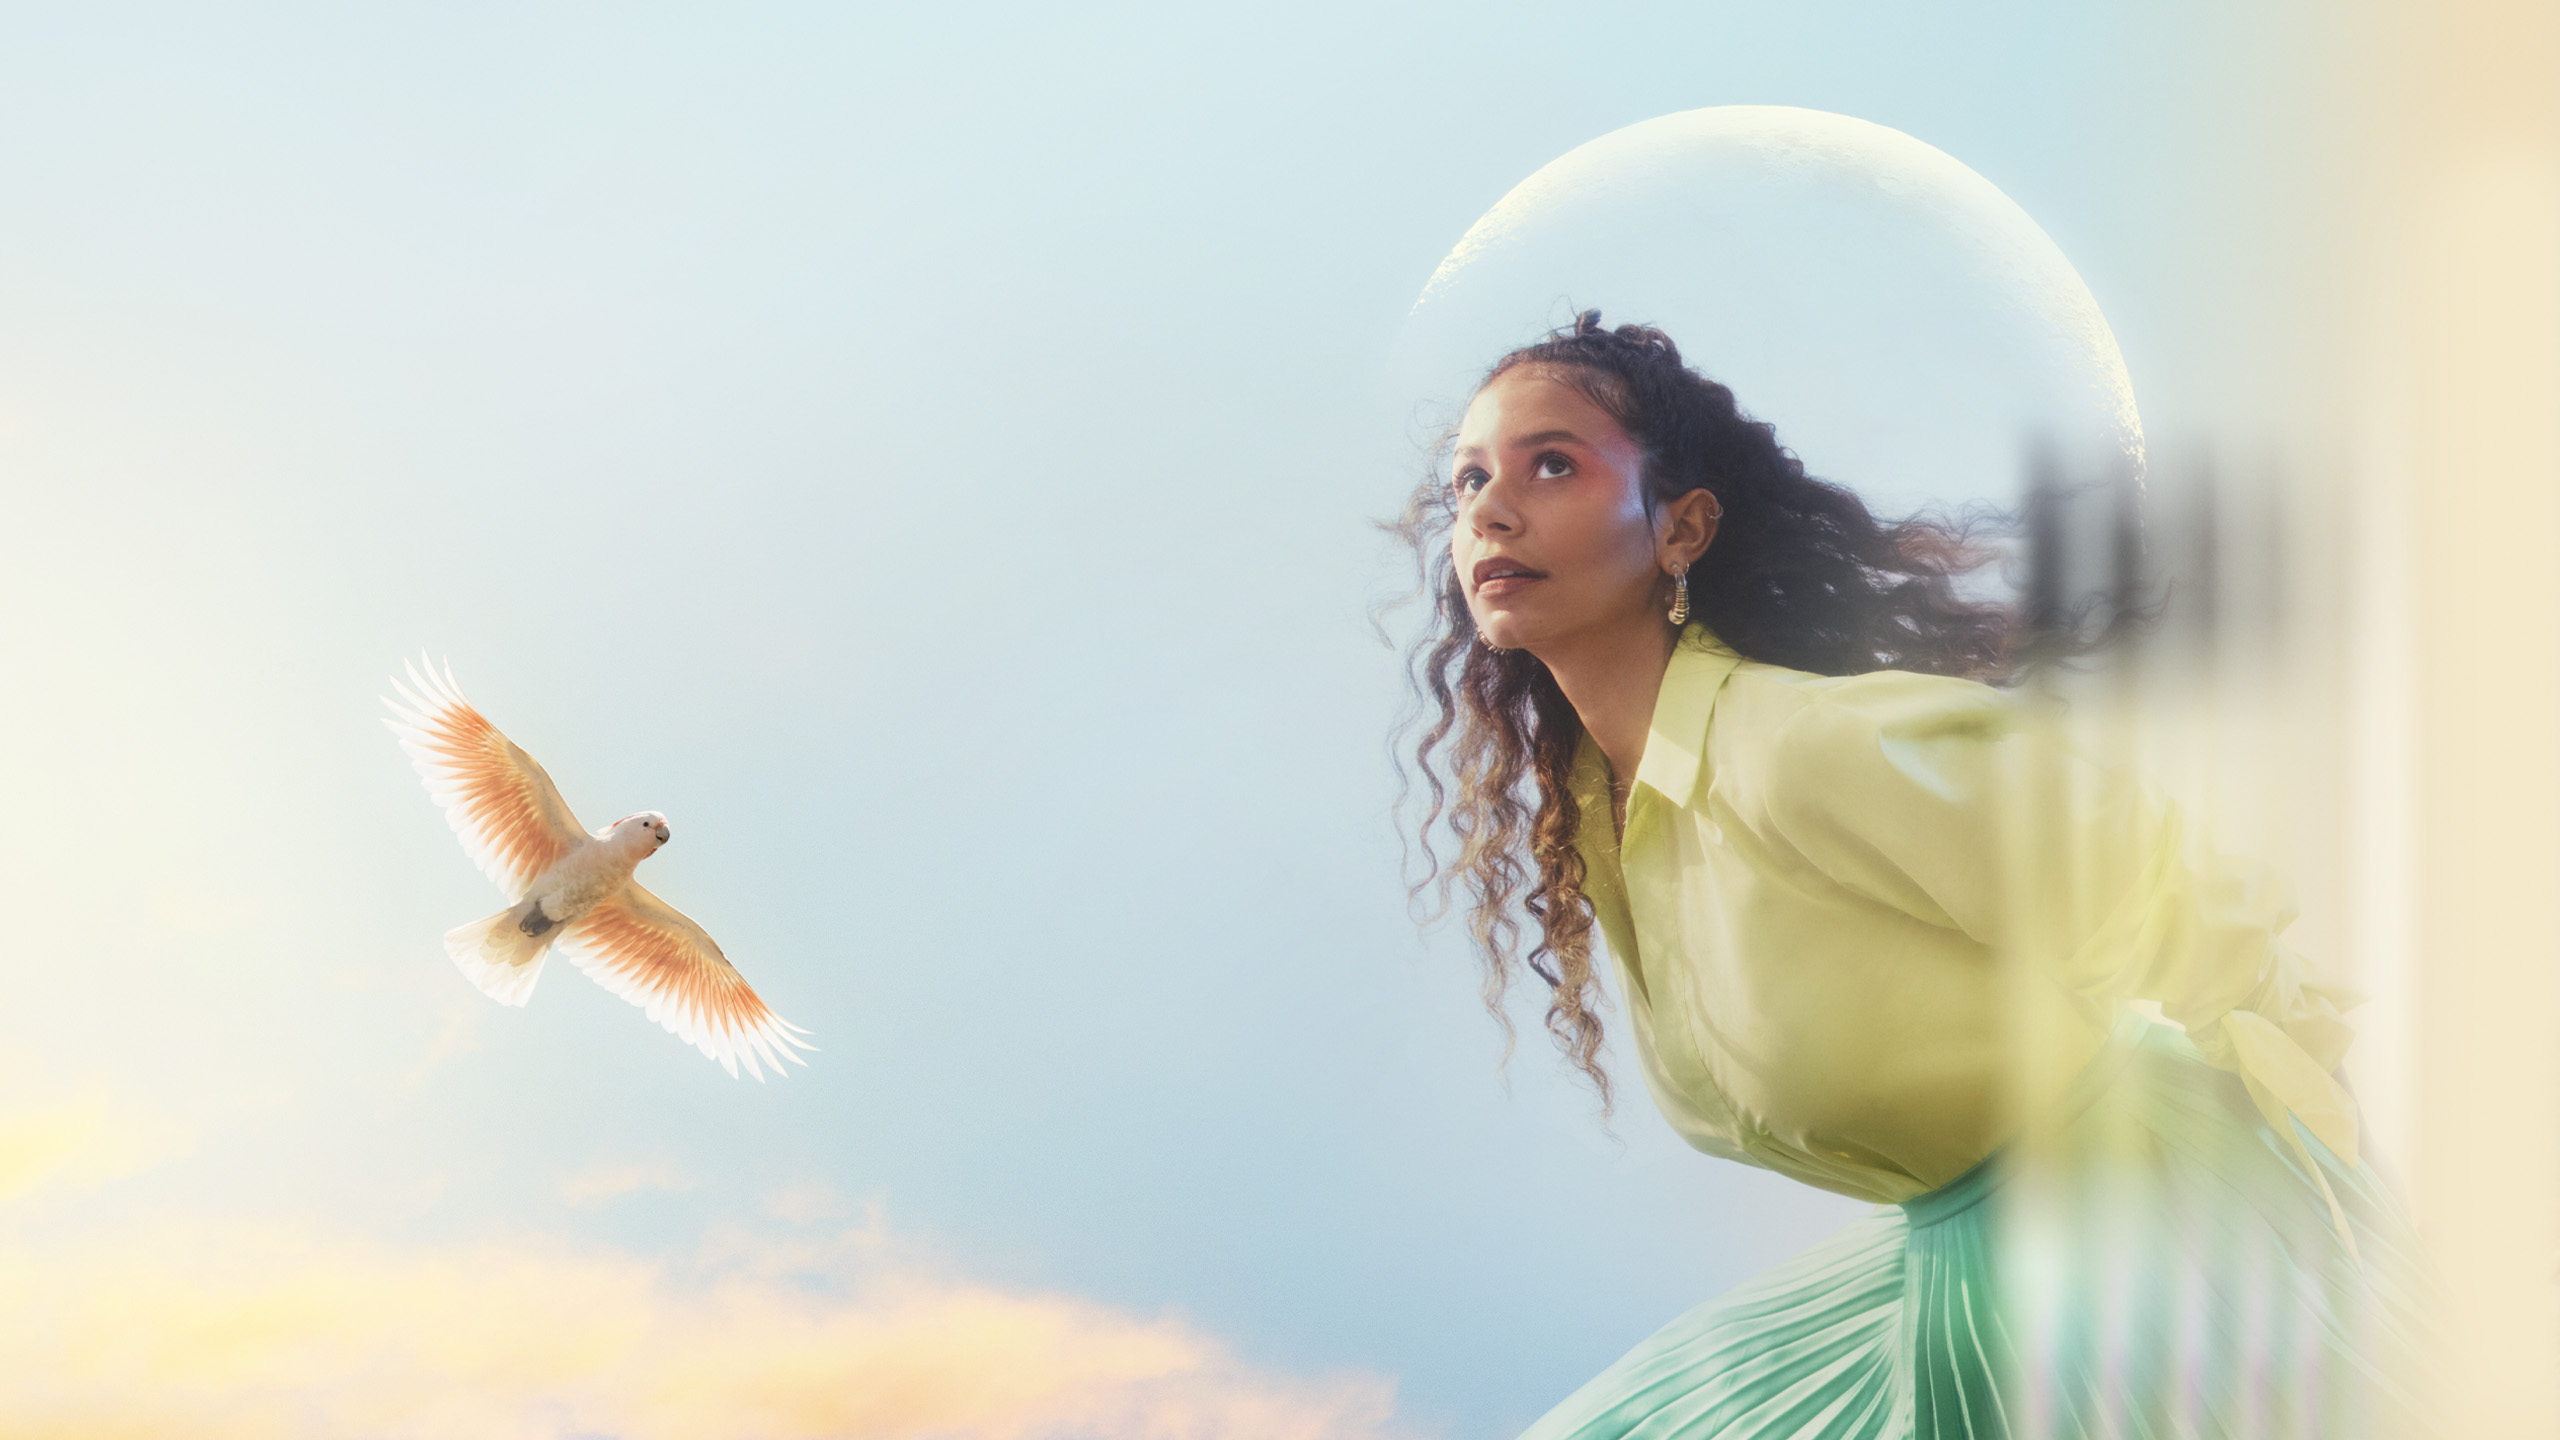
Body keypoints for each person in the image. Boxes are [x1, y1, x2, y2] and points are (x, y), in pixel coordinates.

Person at [1392, 312, 2432, 1439]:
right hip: (1959, 1250)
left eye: (1553, 463)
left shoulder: (1798, 753)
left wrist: (2341, 1193)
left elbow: (2166, 899)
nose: (1489, 509)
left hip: (2144, 1228)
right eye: (1466, 481)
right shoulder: (1609, 824)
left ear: (1682, 528)